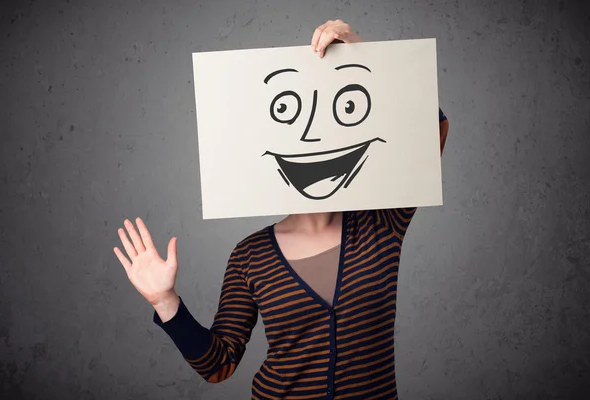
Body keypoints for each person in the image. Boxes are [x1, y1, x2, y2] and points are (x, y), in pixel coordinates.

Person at [114, 19, 449, 400]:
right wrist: (165, 301)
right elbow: (218, 364)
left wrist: (367, 59)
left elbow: (432, 129)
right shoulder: (250, 256)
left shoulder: (382, 222)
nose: (310, 137)